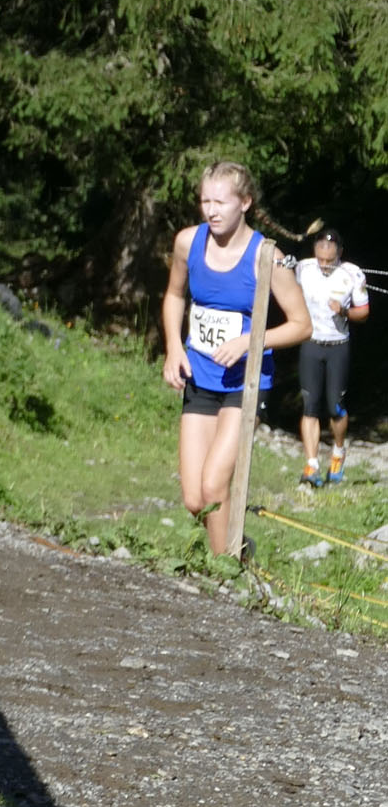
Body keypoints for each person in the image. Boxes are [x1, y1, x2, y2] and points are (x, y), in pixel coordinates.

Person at [159, 160, 309, 555]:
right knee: (195, 498)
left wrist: (249, 342)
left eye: (220, 202)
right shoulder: (188, 242)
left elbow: (301, 325)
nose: (211, 211)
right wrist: (173, 347)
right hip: (200, 376)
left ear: (244, 202)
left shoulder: (267, 257)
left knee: (214, 485)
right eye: (205, 201)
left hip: (245, 383)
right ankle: (236, 548)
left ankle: (224, 571)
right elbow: (174, 295)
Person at [295, 224, 369, 490]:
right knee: (310, 405)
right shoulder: (303, 268)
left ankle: (338, 453)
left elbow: (363, 312)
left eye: (329, 260)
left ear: (340, 254)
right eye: (320, 260)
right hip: (311, 343)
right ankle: (312, 464)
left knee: (335, 405)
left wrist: (344, 312)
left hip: (338, 346)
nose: (324, 265)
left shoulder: (352, 274)